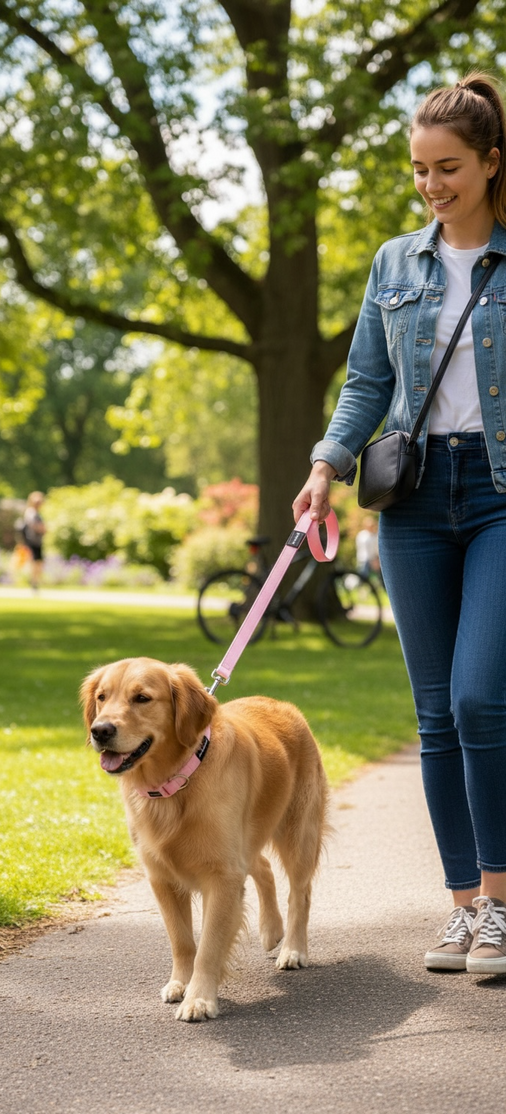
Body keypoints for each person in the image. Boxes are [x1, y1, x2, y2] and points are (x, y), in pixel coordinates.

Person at [293, 73, 506, 975]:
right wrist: (324, 465)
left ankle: (499, 902)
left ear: (491, 162)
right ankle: (461, 907)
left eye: (447, 168)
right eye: (419, 170)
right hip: (413, 499)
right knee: (432, 715)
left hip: (498, 492)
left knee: (478, 698)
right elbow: (367, 383)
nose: (430, 185)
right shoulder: (394, 264)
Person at [22, 491, 46, 590]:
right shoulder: (31, 513)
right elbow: (34, 526)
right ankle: (33, 582)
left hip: (38, 541)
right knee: (34, 562)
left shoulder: (37, 513)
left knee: (38, 562)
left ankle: (36, 581)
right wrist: (42, 528)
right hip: (32, 541)